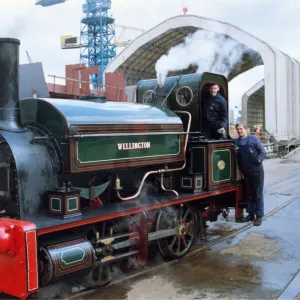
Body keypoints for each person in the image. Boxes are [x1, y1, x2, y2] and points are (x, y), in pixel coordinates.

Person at [234, 121, 266, 226]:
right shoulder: (236, 142)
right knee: (249, 194)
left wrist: (259, 160)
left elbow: (262, 151)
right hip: (246, 172)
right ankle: (251, 214)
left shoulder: (253, 139)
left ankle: (259, 215)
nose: (239, 131)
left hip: (257, 170)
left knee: (258, 194)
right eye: (237, 129)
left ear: (245, 129)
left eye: (241, 128)